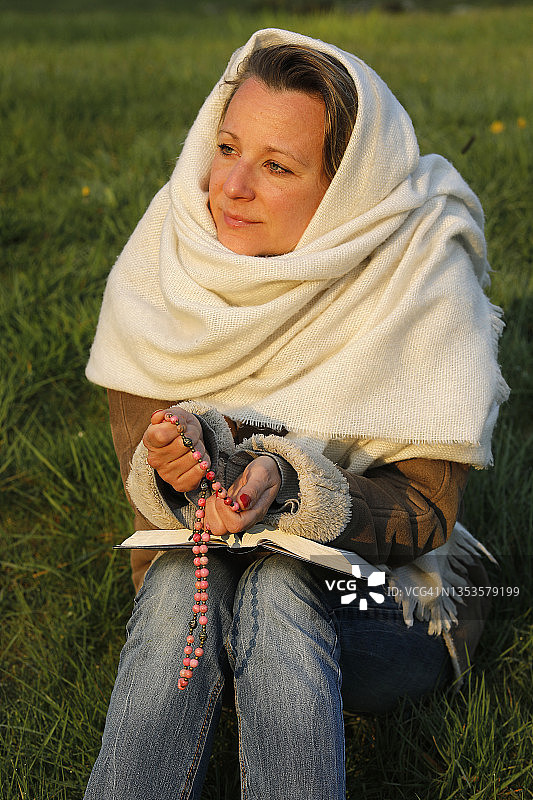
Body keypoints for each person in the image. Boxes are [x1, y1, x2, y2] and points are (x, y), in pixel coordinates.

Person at [83, 28, 509, 800]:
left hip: (385, 593)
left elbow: (423, 511)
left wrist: (286, 484)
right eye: (226, 147)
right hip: (200, 587)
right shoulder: (166, 261)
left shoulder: (417, 275)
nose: (230, 188)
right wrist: (182, 464)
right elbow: (147, 499)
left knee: (283, 583)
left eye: (277, 166)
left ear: (347, 190)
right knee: (182, 576)